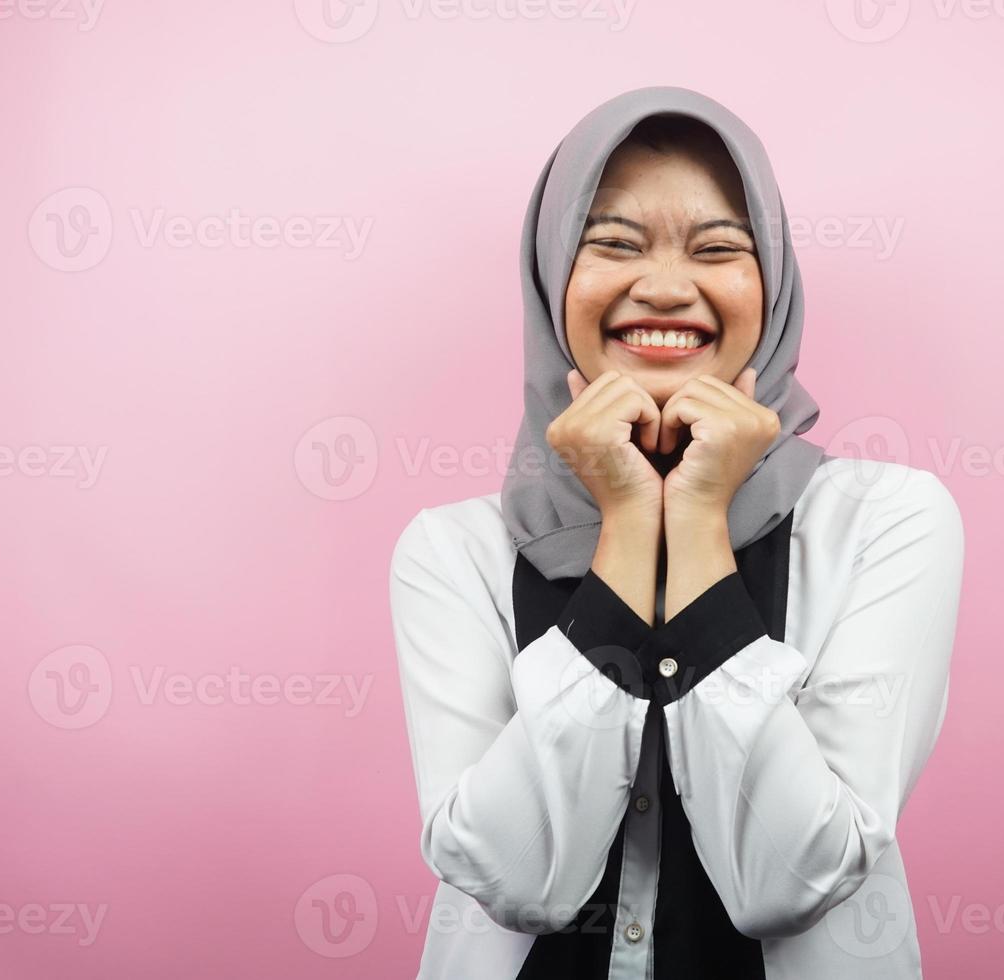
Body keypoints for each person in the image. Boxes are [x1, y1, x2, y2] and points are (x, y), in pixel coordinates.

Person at [389, 85, 964, 979]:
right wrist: (625, 521)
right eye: (613, 243)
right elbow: (519, 880)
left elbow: (793, 877)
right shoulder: (455, 554)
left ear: (771, 287)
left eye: (719, 249)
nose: (663, 286)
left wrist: (693, 520)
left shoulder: (884, 524)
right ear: (551, 279)